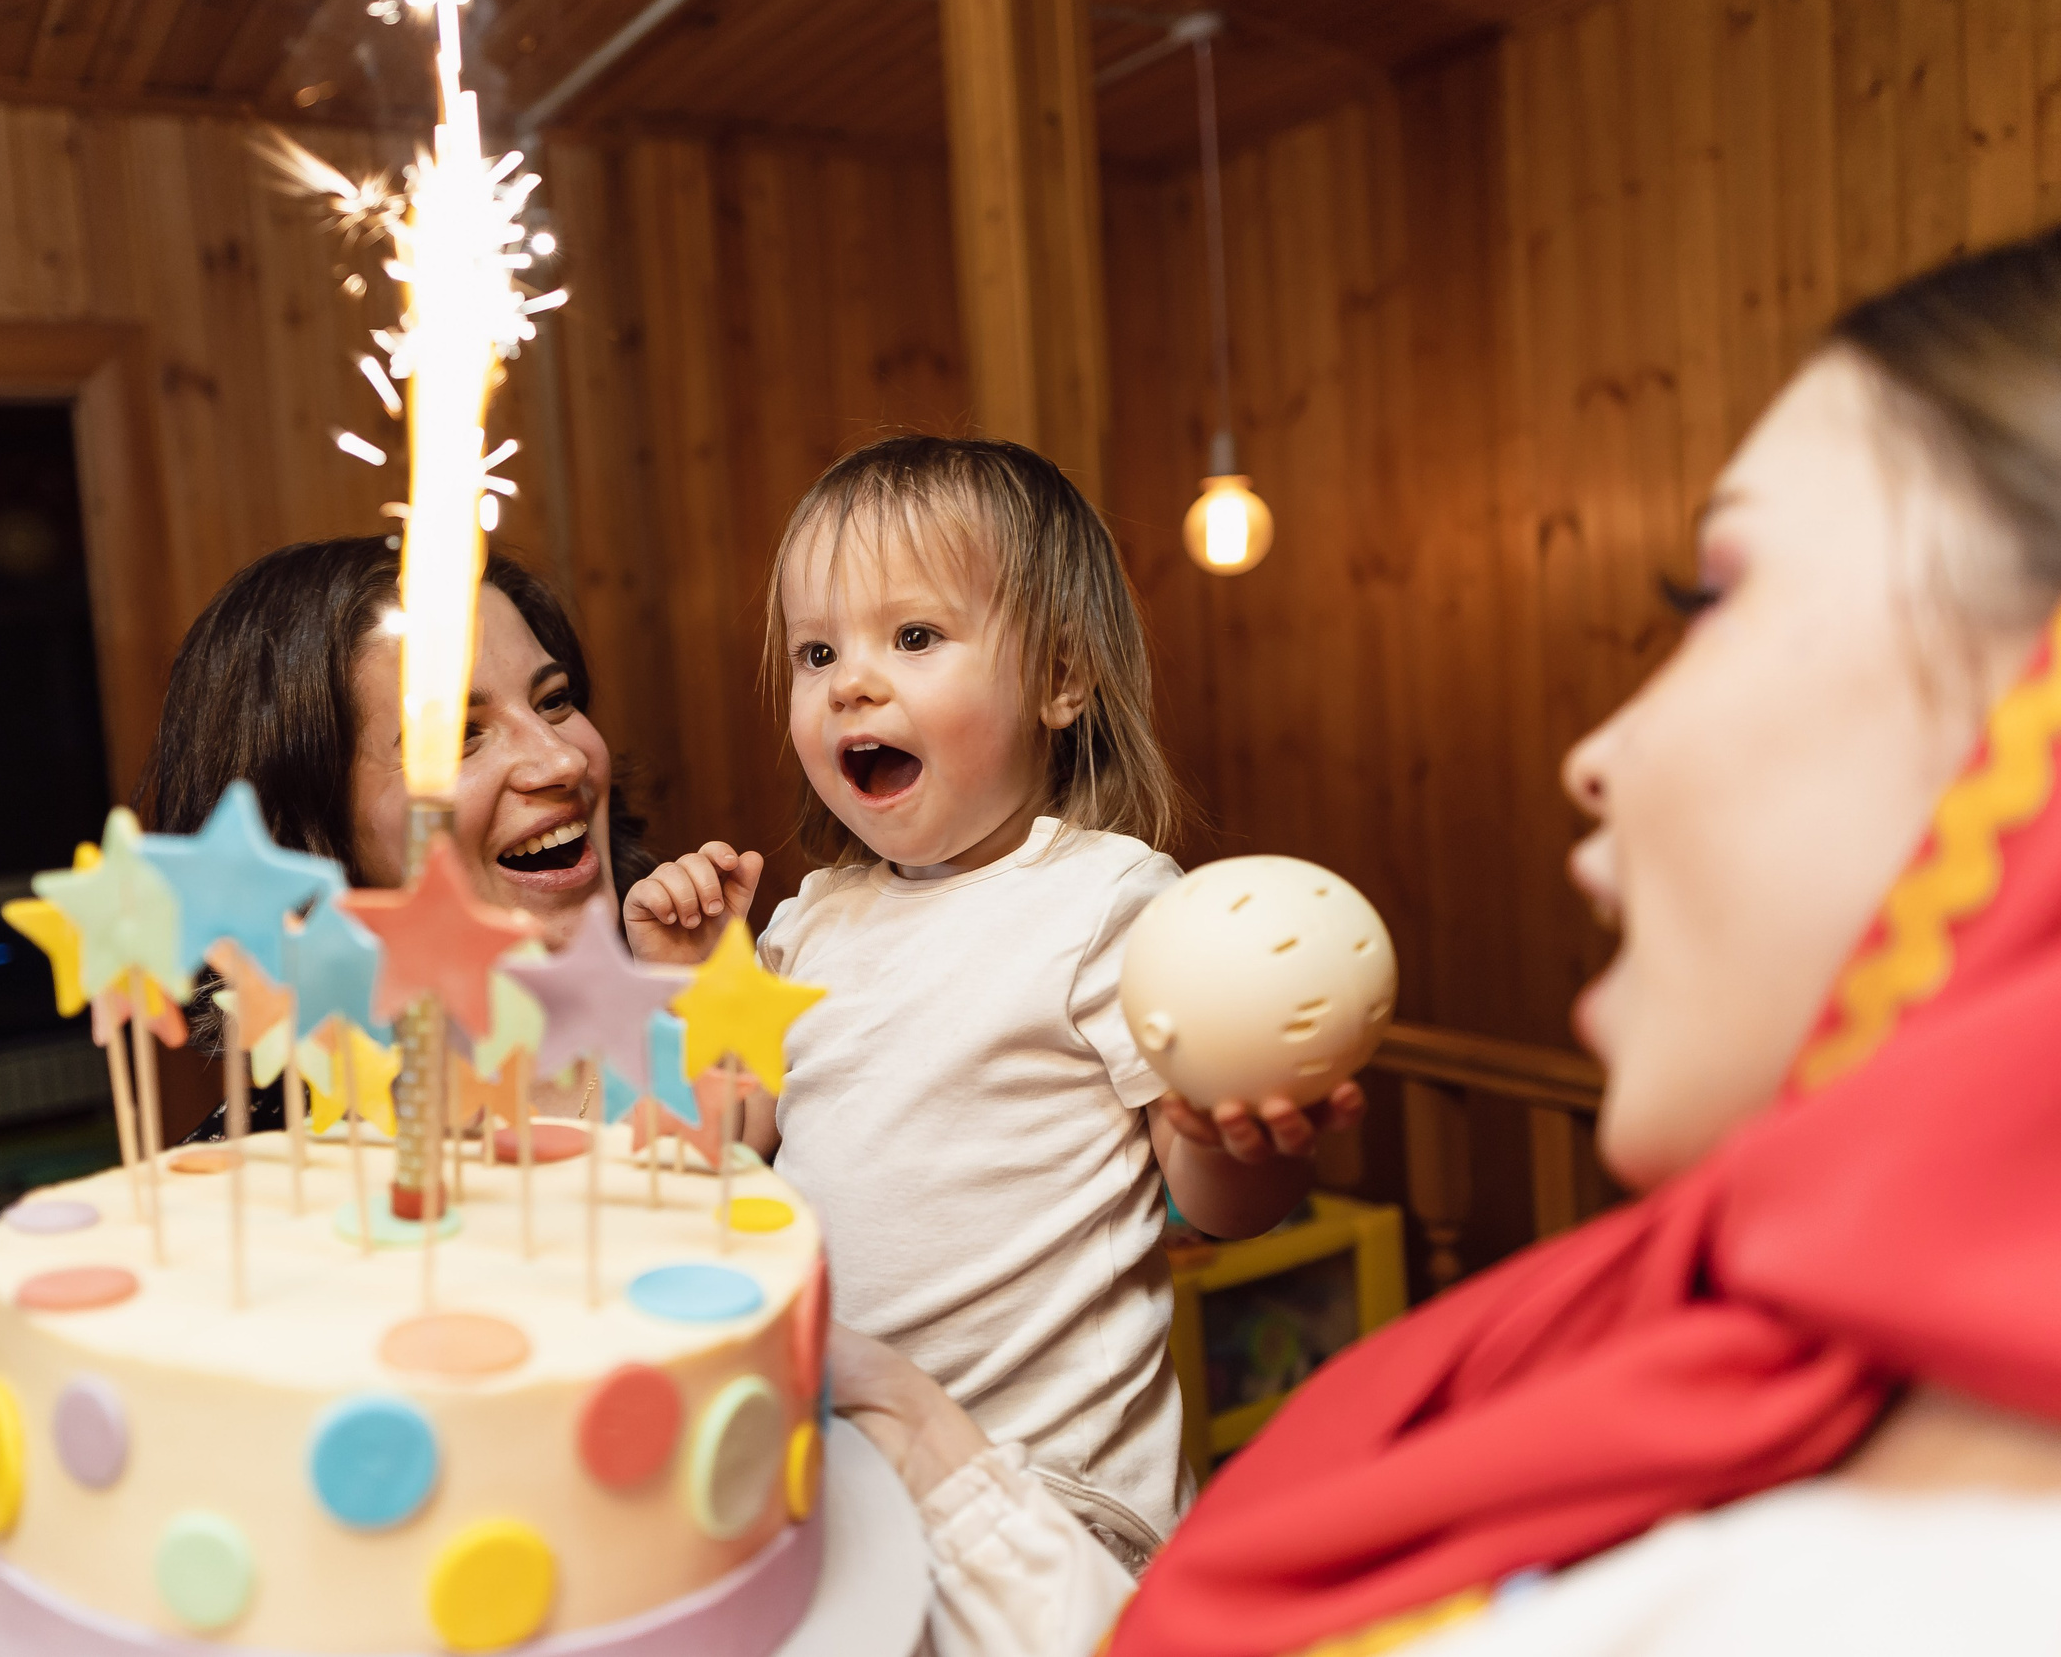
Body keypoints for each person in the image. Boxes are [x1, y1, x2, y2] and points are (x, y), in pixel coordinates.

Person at [830, 231, 2061, 1655]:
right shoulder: (1697, 1352)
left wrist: (957, 1457)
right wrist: (922, 1440)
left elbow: (1212, 1194)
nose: (1599, 750)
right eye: (816, 652)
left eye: (1706, 599)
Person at [628, 437, 1364, 1566]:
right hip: (838, 1475)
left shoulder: (1106, 902)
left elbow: (1222, 1207)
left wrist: (1229, 1132)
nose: (851, 683)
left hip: (1050, 1501)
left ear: (1060, 680)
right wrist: (690, 984)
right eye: (816, 651)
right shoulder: (810, 920)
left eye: (913, 637)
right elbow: (714, 1155)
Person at [137, 538, 681, 1134]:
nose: (562, 761)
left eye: (553, 701)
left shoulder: (749, 1039)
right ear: (307, 834)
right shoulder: (266, 1184)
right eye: (456, 738)